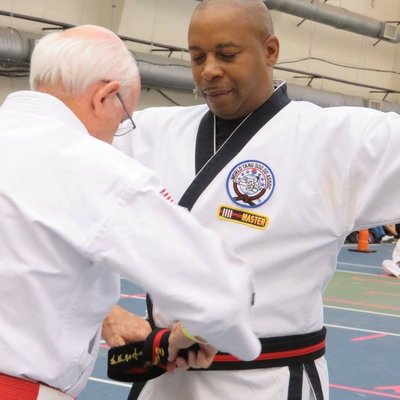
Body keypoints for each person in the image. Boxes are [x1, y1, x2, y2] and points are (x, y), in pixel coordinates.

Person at [109, 0, 400, 399]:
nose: (209, 69)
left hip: (267, 381)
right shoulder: (148, 133)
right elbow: (56, 209)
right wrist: (105, 311)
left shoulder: (334, 140)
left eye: (227, 54)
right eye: (197, 57)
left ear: (271, 51)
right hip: (165, 381)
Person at [0, 24, 263, 400]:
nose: (116, 131)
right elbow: (222, 291)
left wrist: (100, 312)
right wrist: (191, 336)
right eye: (123, 117)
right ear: (105, 96)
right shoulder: (95, 169)